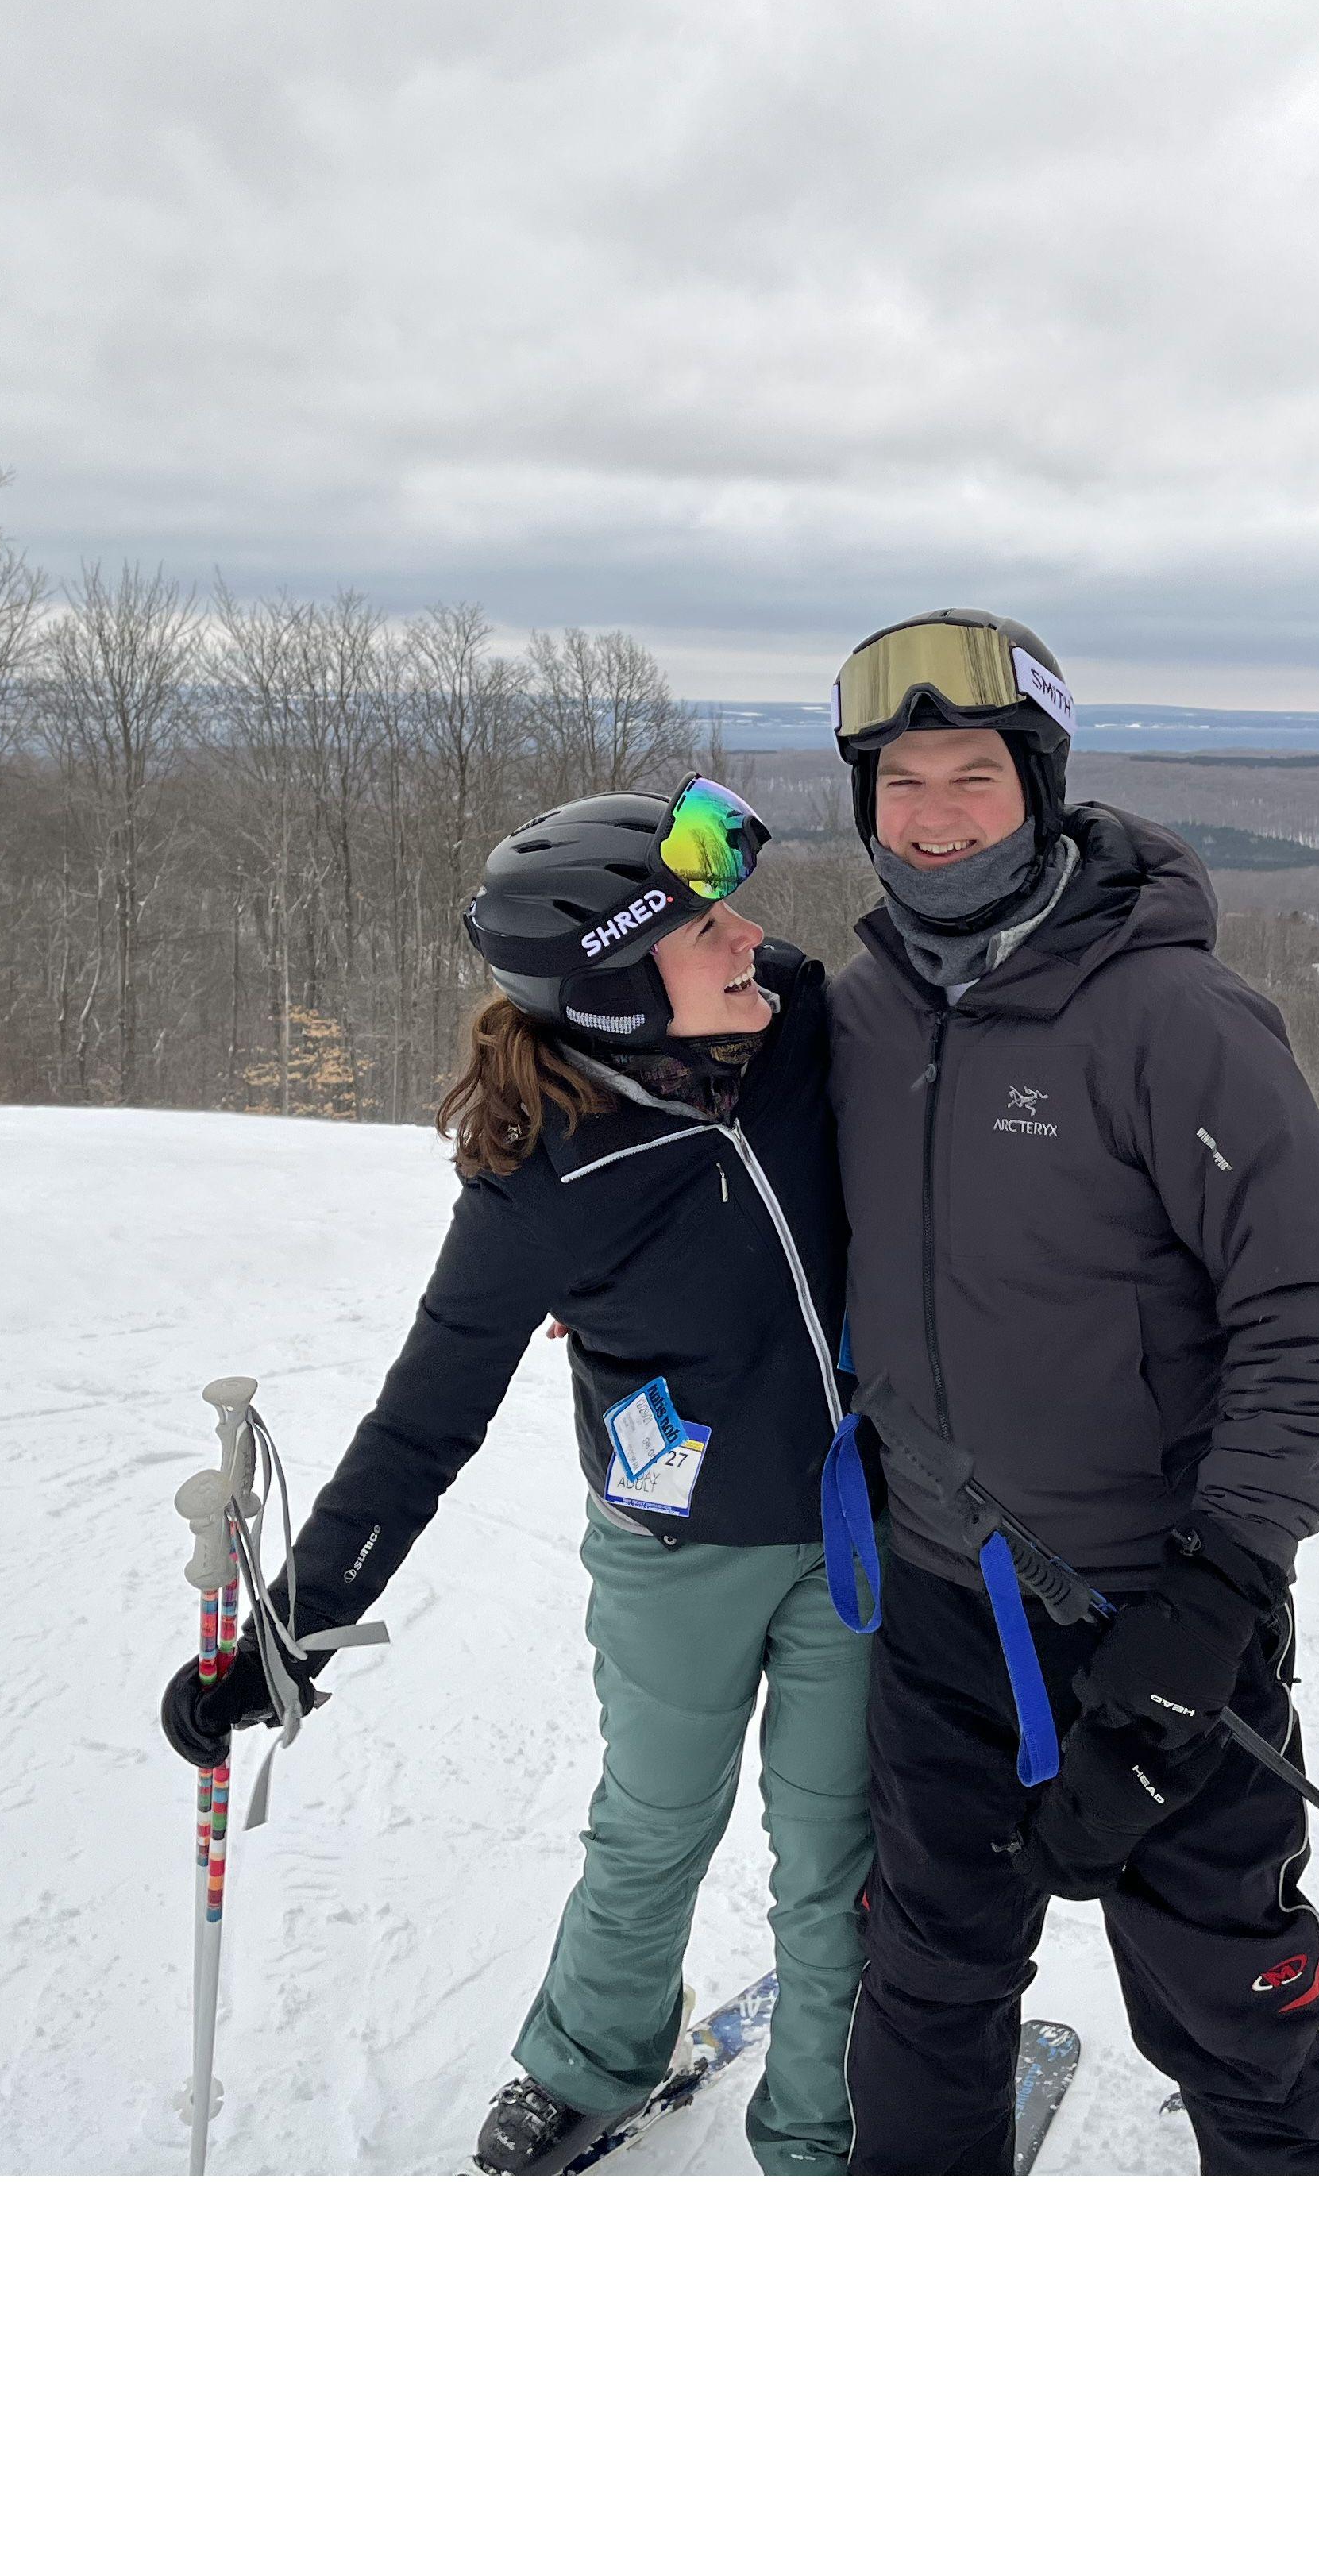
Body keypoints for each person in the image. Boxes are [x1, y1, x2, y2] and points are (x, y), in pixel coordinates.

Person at [160, 781, 869, 2175]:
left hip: (860, 1531)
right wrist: (282, 1640)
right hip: (678, 1557)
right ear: (612, 994)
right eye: (706, 931)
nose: (755, 940)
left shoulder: (804, 1032)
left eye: (730, 915)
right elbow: (422, 1424)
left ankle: (826, 2127)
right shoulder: (540, 1184)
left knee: (835, 1851)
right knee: (652, 1822)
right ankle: (592, 2060)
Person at [820, 609, 1319, 2175]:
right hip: (944, 1608)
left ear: (1044, 789)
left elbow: (1309, 1300)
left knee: (1233, 2012)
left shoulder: (1174, 1019)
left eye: (973, 778)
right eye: (902, 783)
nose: (934, 818)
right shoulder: (859, 1017)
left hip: (1156, 1619)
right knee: (926, 1992)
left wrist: (1215, 1598)